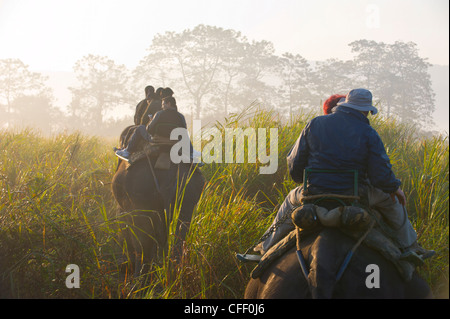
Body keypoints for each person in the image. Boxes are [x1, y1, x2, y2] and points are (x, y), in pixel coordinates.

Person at [246, 89, 434, 264]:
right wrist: (394, 188)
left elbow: (294, 166)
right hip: (355, 195)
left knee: (288, 201)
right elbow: (381, 175)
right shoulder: (369, 133)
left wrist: (308, 180)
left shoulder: (315, 123)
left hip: (314, 193)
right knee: (394, 203)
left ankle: (265, 248)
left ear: (345, 105)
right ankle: (410, 247)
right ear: (367, 111)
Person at [116, 96, 187, 159]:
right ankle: (191, 154)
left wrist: (151, 121)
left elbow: (149, 129)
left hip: (157, 140)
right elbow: (184, 130)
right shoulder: (181, 116)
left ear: (168, 104)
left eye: (163, 104)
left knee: (140, 128)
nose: (162, 107)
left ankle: (127, 151)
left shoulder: (159, 113)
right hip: (174, 141)